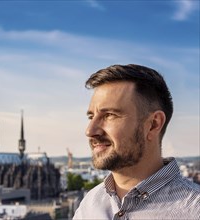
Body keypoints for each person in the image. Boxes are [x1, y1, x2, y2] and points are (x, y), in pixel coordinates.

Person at [73, 64, 200, 219]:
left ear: (153, 124)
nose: (90, 131)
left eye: (109, 115)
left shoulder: (194, 210)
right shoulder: (90, 204)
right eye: (91, 117)